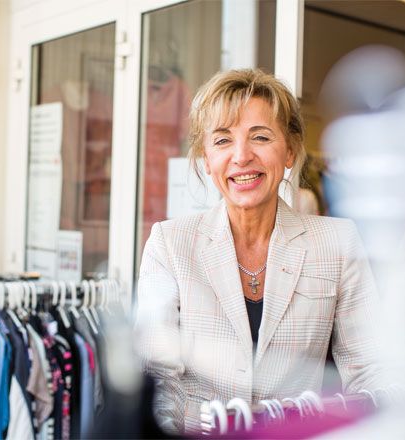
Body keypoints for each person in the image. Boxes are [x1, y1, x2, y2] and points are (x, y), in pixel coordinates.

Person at [134, 69, 385, 434]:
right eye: (222, 140)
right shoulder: (170, 244)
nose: (241, 156)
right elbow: (156, 378)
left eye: (260, 137)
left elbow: (370, 370)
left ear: (290, 150)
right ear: (206, 158)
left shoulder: (338, 242)